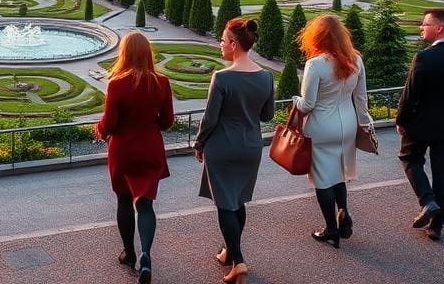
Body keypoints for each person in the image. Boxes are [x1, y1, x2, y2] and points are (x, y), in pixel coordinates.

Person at [194, 18, 275, 284]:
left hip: (223, 147)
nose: (220, 44)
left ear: (233, 44)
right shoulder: (266, 76)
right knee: (237, 200)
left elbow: (209, 119)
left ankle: (238, 262)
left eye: (222, 40)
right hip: (251, 147)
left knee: (225, 204)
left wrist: (199, 143)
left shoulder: (222, 77)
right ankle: (230, 251)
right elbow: (267, 115)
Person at [94, 32, 175, 284]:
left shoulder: (117, 84)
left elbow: (110, 123)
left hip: (124, 150)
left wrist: (99, 129)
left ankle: (129, 253)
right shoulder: (162, 82)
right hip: (150, 147)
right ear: (148, 54)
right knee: (146, 204)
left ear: (125, 54)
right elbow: (167, 122)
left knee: (123, 201)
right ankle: (146, 255)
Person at [292, 15, 372, 247]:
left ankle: (330, 228)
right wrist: (365, 124)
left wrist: (295, 100)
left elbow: (307, 105)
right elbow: (361, 98)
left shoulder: (315, 64)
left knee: (321, 179)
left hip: (321, 127)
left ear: (315, 38)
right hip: (347, 124)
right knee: (338, 171)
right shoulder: (355, 59)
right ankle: (343, 210)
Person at [396, 9, 444, 240]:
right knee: (442, 173)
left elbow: (409, 95)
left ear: (439, 28)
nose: (421, 27)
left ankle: (427, 201)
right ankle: (436, 227)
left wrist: (401, 121)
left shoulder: (424, 57)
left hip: (419, 124)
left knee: (410, 159)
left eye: (425, 24)